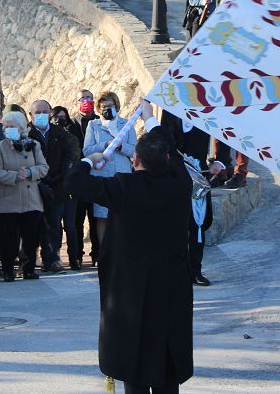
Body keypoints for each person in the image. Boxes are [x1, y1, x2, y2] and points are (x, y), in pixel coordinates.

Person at [66, 100, 194, 394]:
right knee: (166, 363)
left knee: (132, 360)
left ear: (135, 161)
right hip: (170, 285)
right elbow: (170, 151)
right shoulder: (180, 182)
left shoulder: (124, 187)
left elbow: (74, 183)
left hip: (130, 289)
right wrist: (150, 120)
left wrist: (90, 161)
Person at [159, 111, 222, 287]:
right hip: (175, 175)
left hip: (200, 176)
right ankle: (175, 270)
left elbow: (225, 132)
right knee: (175, 224)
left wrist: (220, 161)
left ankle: (195, 270)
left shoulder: (206, 107)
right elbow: (164, 140)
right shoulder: (169, 110)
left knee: (199, 224)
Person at [0, 110, 48, 281]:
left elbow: (44, 167)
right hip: (8, 199)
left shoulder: (34, 145)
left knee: (30, 237)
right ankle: (8, 269)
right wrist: (15, 176)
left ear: (22, 128)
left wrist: (30, 172)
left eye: (13, 126)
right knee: (8, 238)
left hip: (31, 199)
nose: (9, 129)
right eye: (6, 127)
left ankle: (28, 269)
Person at [28, 99, 78, 273]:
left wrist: (59, 176)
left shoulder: (61, 133)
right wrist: (39, 179)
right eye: (37, 112)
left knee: (53, 225)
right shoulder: (25, 134)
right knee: (30, 225)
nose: (41, 115)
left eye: (44, 112)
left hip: (57, 185)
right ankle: (27, 260)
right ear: (30, 115)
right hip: (32, 185)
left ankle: (52, 259)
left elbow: (72, 155)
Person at [82, 92, 135, 245]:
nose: (107, 109)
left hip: (122, 177)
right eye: (103, 106)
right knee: (102, 216)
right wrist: (104, 145)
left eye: (110, 106)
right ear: (98, 109)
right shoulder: (93, 125)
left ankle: (123, 251)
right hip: (101, 176)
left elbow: (134, 151)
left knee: (122, 214)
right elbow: (87, 150)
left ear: (116, 106)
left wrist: (120, 146)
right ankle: (104, 254)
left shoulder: (127, 124)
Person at [68, 90, 100, 267]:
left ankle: (97, 253)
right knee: (77, 219)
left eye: (89, 98)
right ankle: (77, 254)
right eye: (82, 99)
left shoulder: (99, 122)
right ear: (76, 102)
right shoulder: (71, 124)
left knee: (95, 218)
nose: (86, 101)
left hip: (96, 175)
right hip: (78, 177)